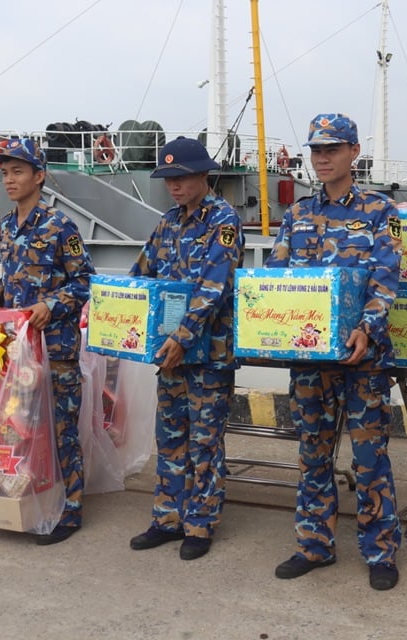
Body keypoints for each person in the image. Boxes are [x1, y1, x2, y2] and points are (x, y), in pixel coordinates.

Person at [264, 113, 403, 591]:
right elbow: (275, 279)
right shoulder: (298, 215)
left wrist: (366, 327)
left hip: (363, 357)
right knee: (313, 453)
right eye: (316, 150)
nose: (322, 159)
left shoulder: (381, 211)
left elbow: (387, 279)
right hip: (310, 360)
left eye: (332, 149)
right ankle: (314, 545)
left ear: (353, 152)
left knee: (369, 458)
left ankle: (380, 551)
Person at [127, 136, 244, 561]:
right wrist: (112, 311)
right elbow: (140, 273)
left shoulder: (224, 221)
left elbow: (213, 287)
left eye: (181, 178)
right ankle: (166, 518)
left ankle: (200, 522)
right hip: (170, 355)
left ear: (202, 175)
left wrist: (182, 337)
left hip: (208, 354)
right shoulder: (168, 223)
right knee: (171, 436)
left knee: (205, 441)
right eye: (168, 179)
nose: (173, 186)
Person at [0, 136, 95, 546]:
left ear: (39, 176)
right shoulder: (6, 227)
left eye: (18, 172)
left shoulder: (61, 226)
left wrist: (52, 303)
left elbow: (84, 281)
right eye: (5, 173)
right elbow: (13, 279)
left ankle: (71, 509)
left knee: (62, 429)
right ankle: (27, 497)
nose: (9, 180)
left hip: (56, 348)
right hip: (18, 351)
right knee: (23, 427)